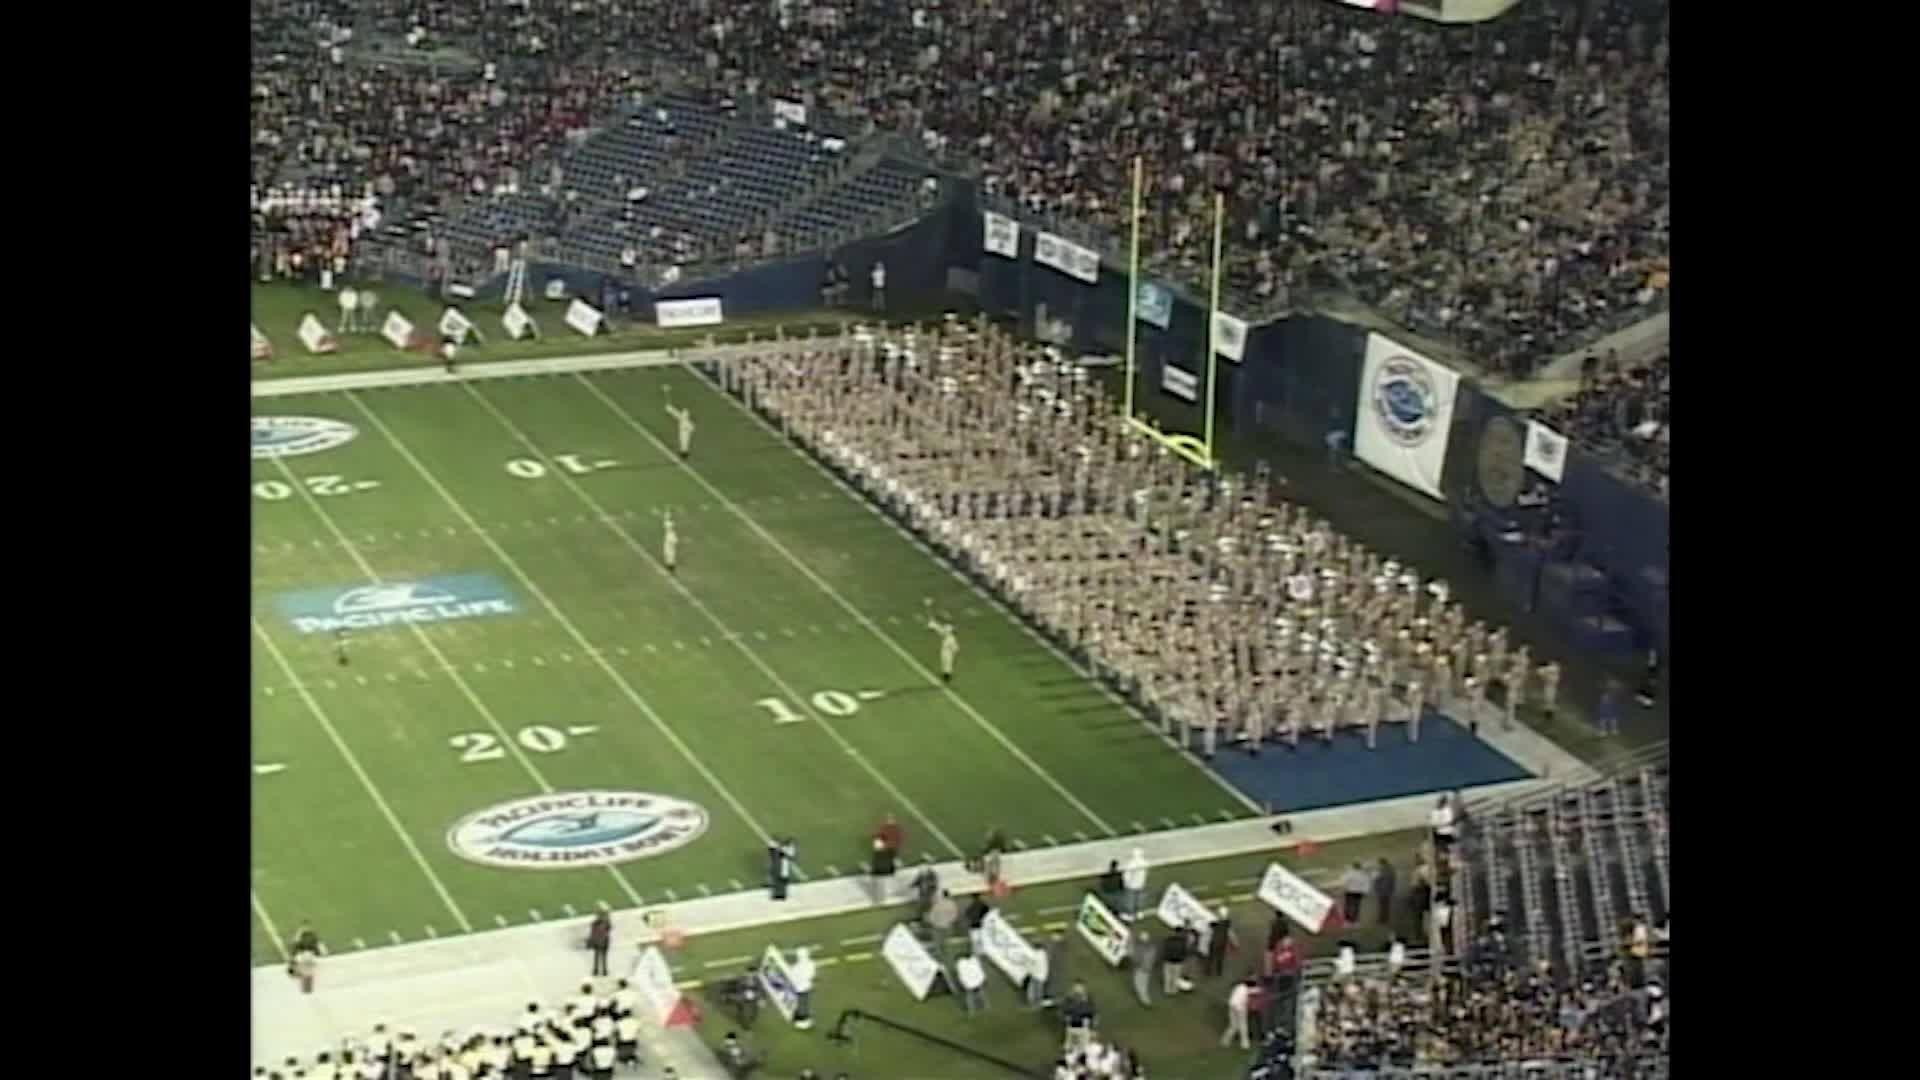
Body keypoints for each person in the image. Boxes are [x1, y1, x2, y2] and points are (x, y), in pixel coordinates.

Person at [1221, 978, 1254, 1050]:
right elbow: (1247, 995)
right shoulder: (1245, 991)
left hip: (1232, 1007)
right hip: (1239, 1008)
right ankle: (1245, 1045)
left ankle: (1225, 1041)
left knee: (1233, 1026)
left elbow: (1251, 991)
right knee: (1243, 1026)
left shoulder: (1239, 987)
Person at [1121, 847, 1149, 921]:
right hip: (1141, 884)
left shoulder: (1131, 864)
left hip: (1132, 885)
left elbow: (1126, 875)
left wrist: (1125, 883)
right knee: (1139, 899)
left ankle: (1129, 915)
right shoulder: (1144, 862)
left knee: (1130, 900)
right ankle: (1139, 912)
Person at [1128, 930, 1154, 1007]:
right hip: (1147, 968)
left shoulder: (1141, 948)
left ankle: (1146, 1001)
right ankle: (1142, 996)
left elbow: (1137, 958)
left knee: (1140, 984)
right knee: (1143, 983)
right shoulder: (1151, 948)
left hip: (1141, 968)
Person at [1372, 858, 1397, 928]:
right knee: (1386, 905)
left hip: (1382, 890)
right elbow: (1393, 879)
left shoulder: (1382, 870)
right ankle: (1386, 918)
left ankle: (1381, 919)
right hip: (1389, 890)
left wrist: (1376, 886)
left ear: (1381, 863)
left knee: (1382, 905)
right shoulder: (1391, 869)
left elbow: (1377, 878)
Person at [587, 912, 612, 977]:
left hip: (601, 941)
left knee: (601, 957)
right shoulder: (603, 923)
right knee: (599, 957)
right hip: (600, 941)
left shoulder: (597, 924)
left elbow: (609, 929)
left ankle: (601, 970)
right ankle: (599, 970)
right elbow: (592, 933)